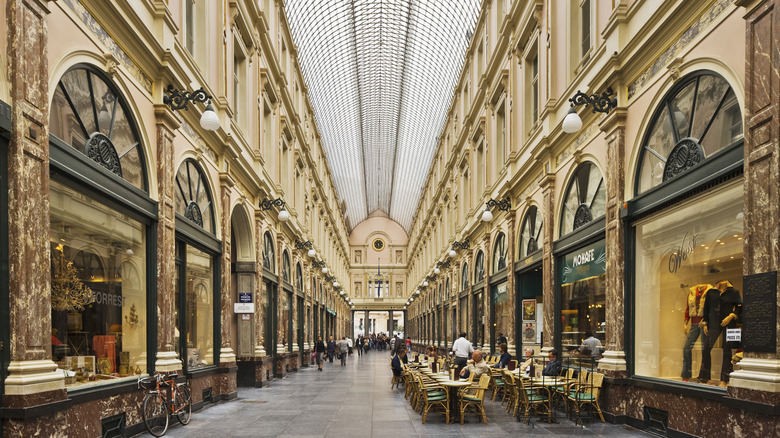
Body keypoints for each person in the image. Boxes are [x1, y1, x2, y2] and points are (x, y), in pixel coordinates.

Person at [698, 280, 742, 386]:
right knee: (706, 347)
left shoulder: (734, 292)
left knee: (727, 350)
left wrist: (731, 316)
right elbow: (707, 308)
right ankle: (705, 377)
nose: (722, 283)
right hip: (714, 323)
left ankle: (725, 379)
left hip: (729, 323)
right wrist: (705, 323)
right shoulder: (711, 292)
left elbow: (740, 307)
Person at [681, 284, 709, 381]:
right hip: (694, 324)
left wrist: (706, 320)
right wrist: (685, 323)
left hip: (705, 324)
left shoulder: (709, 291)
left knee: (704, 350)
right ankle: (686, 375)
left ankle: (704, 377)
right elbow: (688, 309)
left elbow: (711, 309)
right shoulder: (691, 293)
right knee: (686, 348)